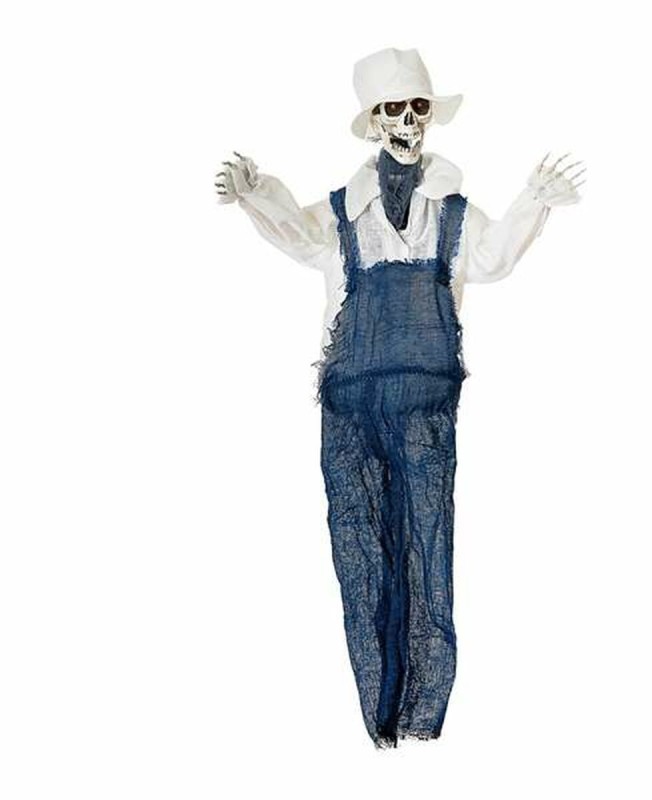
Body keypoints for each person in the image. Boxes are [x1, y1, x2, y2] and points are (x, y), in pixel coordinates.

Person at [216, 46, 585, 749]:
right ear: (373, 120)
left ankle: (419, 714)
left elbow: (493, 258)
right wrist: (254, 191)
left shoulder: (454, 213)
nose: (408, 121)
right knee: (363, 553)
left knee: (427, 550)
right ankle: (382, 713)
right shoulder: (341, 214)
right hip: (350, 413)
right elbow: (295, 230)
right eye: (394, 108)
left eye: (418, 107)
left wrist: (535, 200)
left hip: (425, 412)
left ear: (429, 117)